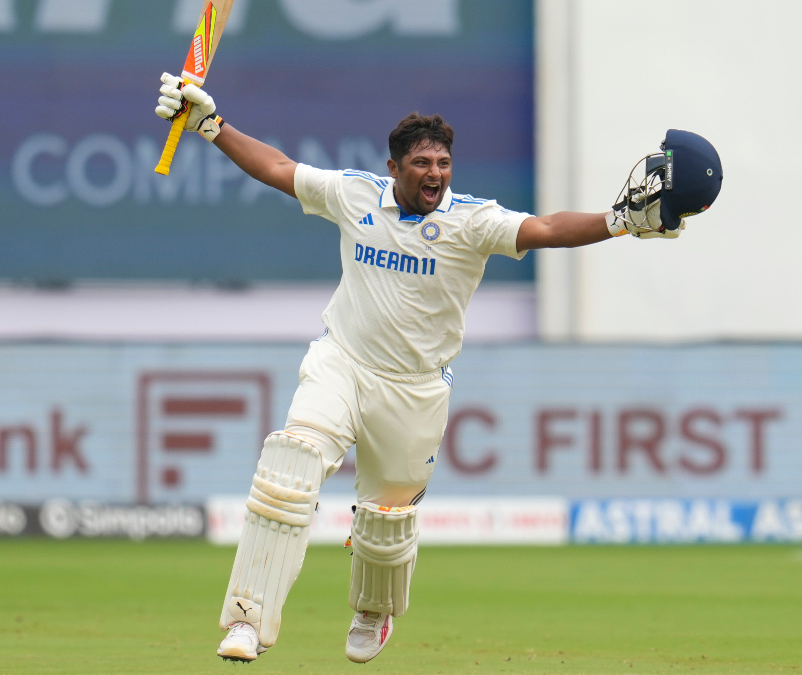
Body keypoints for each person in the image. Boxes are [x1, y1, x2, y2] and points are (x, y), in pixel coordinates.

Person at [154, 71, 721, 664]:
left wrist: (620, 221)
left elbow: (547, 228)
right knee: (289, 466)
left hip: (416, 389)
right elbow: (277, 168)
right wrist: (208, 125)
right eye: (422, 162)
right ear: (394, 167)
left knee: (385, 522)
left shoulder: (471, 223)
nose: (436, 173)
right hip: (342, 363)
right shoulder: (354, 195)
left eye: (444, 162)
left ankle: (373, 611)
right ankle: (248, 619)